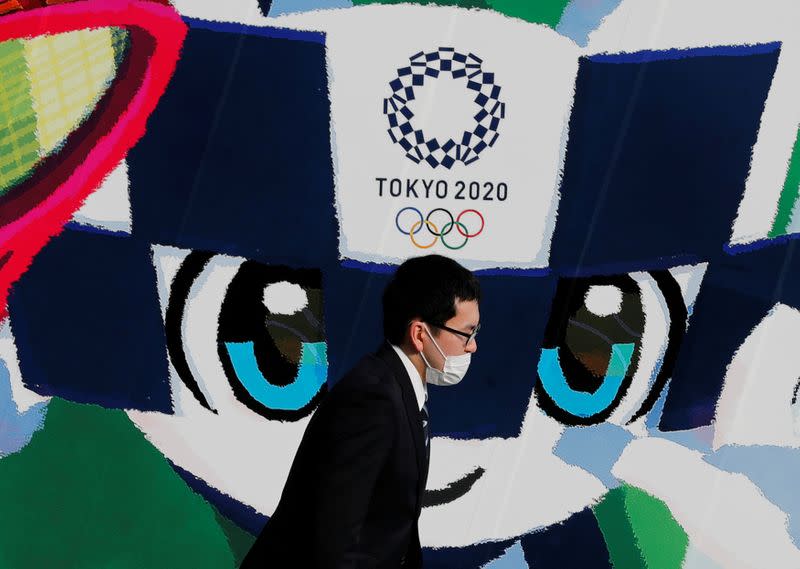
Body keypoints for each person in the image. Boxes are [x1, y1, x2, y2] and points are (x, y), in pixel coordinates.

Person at [240, 254, 481, 568]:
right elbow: (332, 539)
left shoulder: (402, 389)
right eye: (466, 333)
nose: (472, 346)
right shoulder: (373, 398)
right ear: (420, 334)